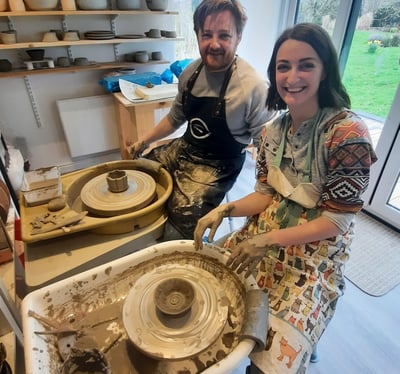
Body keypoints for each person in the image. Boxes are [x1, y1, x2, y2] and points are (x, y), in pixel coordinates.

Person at [194, 23, 377, 373]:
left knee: (272, 365)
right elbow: (264, 196)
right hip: (265, 233)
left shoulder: (347, 135)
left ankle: (301, 339)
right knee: (212, 300)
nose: (292, 76)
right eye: (283, 66)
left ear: (325, 71)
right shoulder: (272, 131)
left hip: (315, 252)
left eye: (306, 65)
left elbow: (336, 221)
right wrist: (224, 209)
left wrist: (268, 239)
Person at [126, 0, 277, 240]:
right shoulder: (190, 73)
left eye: (224, 35)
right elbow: (176, 117)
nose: (214, 44)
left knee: (183, 217)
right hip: (184, 148)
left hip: (218, 165)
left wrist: (266, 193)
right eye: (207, 34)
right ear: (197, 34)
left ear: (238, 37)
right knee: (139, 174)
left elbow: (268, 148)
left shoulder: (253, 87)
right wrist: (143, 141)